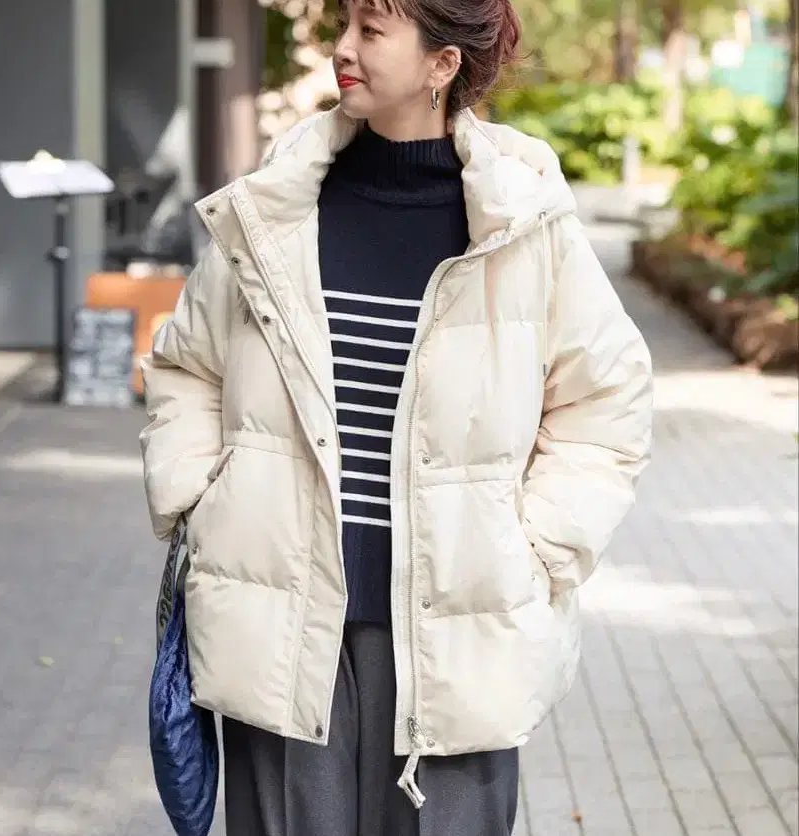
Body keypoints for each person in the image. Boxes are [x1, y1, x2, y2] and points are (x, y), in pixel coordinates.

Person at [138, 0, 653, 832]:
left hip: (460, 633)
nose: (343, 48)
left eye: (371, 31)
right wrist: (202, 501)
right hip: (284, 623)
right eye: (345, 24)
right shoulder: (278, 210)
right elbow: (187, 366)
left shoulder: (521, 222)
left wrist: (538, 549)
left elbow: (607, 400)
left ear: (443, 64)